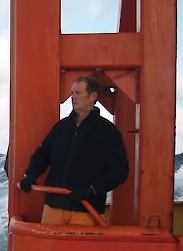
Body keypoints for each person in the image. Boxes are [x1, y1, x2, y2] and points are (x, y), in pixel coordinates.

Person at [19, 76, 128, 225]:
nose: (73, 97)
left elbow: (120, 171)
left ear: (93, 96)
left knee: (81, 250)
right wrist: (31, 174)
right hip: (54, 206)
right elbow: (43, 154)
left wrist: (92, 190)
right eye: (71, 93)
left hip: (86, 208)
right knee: (50, 249)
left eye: (77, 93)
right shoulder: (61, 127)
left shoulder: (108, 131)